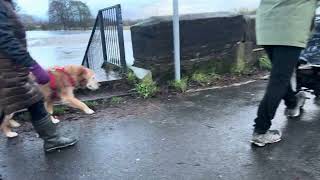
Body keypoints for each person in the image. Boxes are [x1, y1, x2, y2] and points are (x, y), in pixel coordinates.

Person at [0, 0, 77, 152]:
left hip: (13, 69)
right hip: (5, 71)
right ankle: (52, 140)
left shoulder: (5, 4)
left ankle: (52, 140)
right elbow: (4, 39)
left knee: (35, 99)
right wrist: (32, 64)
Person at [251, 0, 318, 147]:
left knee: (281, 74)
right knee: (279, 80)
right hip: (290, 29)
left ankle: (292, 103)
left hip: (266, 27)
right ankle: (261, 130)